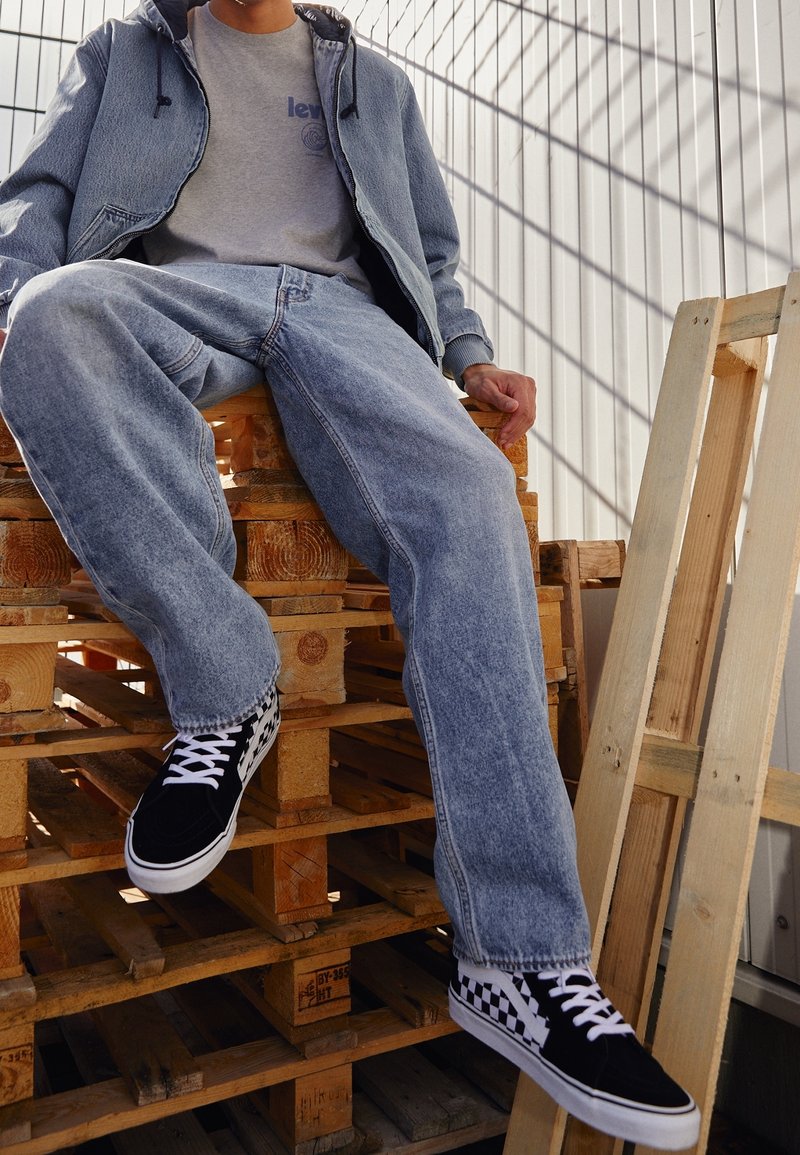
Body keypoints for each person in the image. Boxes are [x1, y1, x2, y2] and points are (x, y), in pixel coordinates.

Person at [0, 1, 700, 1147]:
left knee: (471, 493)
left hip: (342, 317)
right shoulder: (124, 49)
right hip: (174, 292)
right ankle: (227, 687)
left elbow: (426, 252)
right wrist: (10, 293)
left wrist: (468, 357)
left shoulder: (371, 79)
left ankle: (520, 961)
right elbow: (37, 192)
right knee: (57, 312)